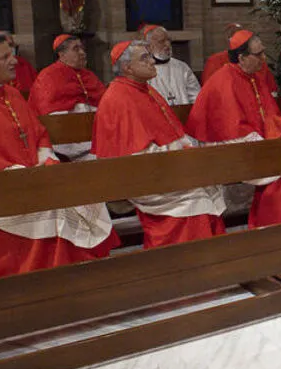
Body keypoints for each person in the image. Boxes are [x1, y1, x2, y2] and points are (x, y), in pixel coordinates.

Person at [0, 32, 119, 279]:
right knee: (57, 211)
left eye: (12, 55)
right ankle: (47, 283)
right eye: (4, 57)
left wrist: (45, 160)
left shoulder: (11, 94)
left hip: (29, 181)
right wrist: (27, 178)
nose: (14, 61)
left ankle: (83, 278)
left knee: (84, 196)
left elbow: (38, 134)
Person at [92, 41, 226, 248]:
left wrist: (185, 153)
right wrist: (181, 156)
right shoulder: (119, 98)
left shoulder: (144, 90)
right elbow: (135, 156)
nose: (152, 61)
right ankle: (183, 257)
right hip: (142, 175)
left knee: (207, 186)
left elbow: (170, 135)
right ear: (127, 67)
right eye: (144, 58)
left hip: (161, 166)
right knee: (196, 198)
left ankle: (211, 256)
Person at [186, 29, 281, 228]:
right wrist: (269, 146)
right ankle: (273, 224)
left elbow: (271, 116)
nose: (264, 58)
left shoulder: (254, 77)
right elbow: (233, 129)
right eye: (258, 54)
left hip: (255, 141)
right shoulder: (224, 81)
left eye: (263, 52)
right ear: (241, 58)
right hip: (229, 147)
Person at [29, 34, 106, 160]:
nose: (82, 53)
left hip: (94, 139)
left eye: (82, 48)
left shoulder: (89, 75)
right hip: (63, 144)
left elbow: (105, 104)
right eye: (76, 49)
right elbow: (48, 115)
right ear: (62, 54)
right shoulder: (48, 76)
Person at [202, 22, 276, 94]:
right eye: (232, 36)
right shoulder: (215, 62)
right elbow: (211, 92)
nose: (263, 57)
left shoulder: (258, 62)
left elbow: (271, 91)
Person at [140, 24, 201, 106]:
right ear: (148, 47)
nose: (168, 44)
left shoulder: (182, 67)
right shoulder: (143, 71)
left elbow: (196, 98)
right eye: (161, 41)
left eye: (168, 40)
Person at [0, 31, 38, 96]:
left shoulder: (23, 63)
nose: (9, 48)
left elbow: (37, 87)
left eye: (10, 45)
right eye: (3, 45)